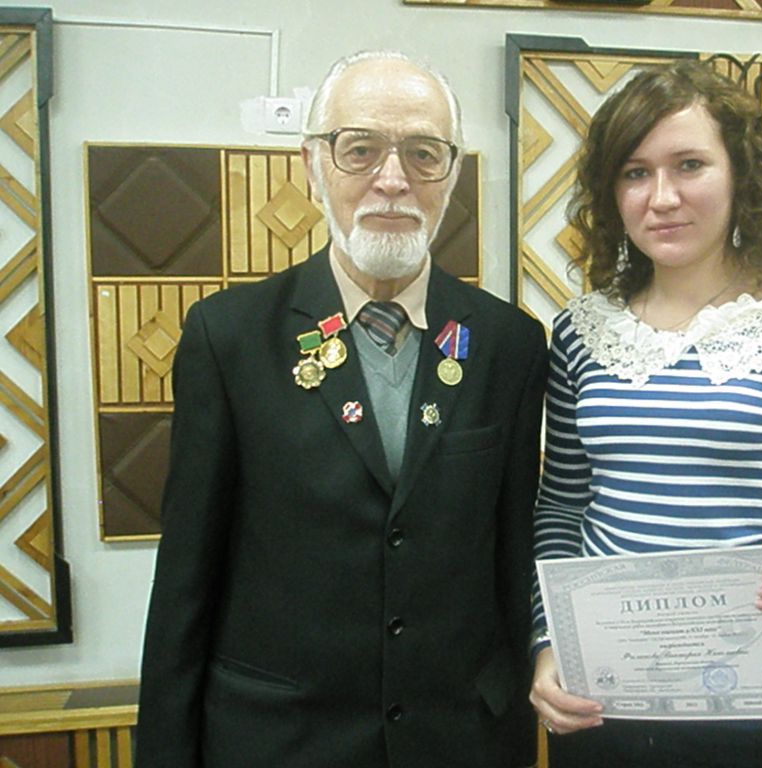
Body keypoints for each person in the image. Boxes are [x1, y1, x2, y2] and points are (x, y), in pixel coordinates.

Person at [135, 51, 547, 768]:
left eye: (423, 154)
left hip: (459, 741)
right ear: (312, 164)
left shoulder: (508, 344)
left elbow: (512, 565)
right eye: (360, 149)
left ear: (452, 173)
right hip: (279, 743)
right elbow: (184, 581)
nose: (393, 179)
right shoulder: (229, 338)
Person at [528, 59, 762, 768]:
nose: (662, 197)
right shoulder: (580, 333)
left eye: (690, 165)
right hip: (606, 700)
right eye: (635, 173)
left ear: (741, 174)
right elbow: (561, 508)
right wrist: (546, 637)